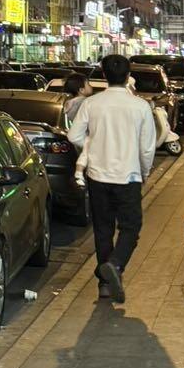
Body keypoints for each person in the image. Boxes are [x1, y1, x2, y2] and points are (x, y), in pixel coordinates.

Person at [68, 52, 156, 305]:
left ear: (104, 75)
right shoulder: (140, 106)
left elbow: (74, 136)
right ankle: (115, 265)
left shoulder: (92, 104)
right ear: (128, 76)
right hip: (128, 176)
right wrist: (144, 172)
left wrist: (92, 147)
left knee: (103, 229)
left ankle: (105, 285)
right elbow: (147, 147)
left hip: (97, 176)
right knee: (131, 227)